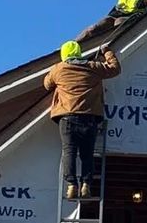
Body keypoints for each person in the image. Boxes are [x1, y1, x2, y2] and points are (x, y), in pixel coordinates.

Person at [44, 40, 121, 200]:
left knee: (69, 151)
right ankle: (86, 184)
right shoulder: (93, 67)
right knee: (87, 154)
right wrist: (106, 51)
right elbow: (115, 69)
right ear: (79, 52)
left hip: (67, 117)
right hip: (89, 117)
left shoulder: (59, 69)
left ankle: (71, 185)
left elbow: (46, 84)